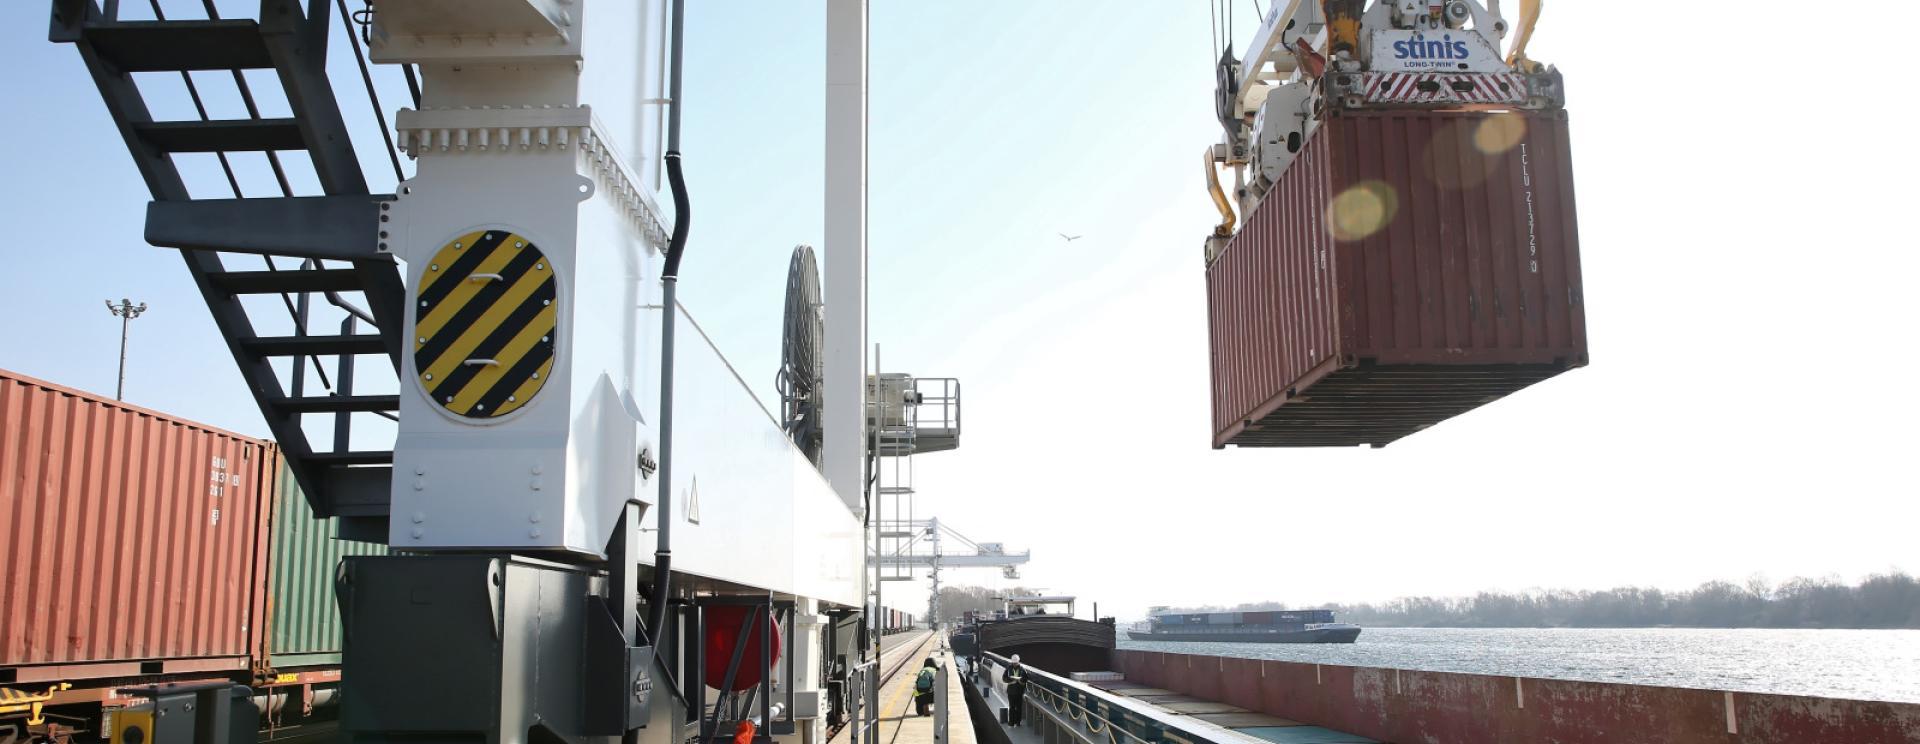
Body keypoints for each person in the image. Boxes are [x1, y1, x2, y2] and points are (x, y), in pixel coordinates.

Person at [1001, 654, 1027, 726]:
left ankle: (1018, 722)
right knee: (1011, 707)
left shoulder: (1022, 669)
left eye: (1015, 663)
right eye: (1013, 662)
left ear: (1018, 661)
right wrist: (1010, 681)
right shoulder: (1009, 668)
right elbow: (1004, 678)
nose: (1014, 664)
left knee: (1019, 707)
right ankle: (1011, 722)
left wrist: (1020, 681)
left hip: (1019, 691)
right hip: (1011, 691)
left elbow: (1025, 679)